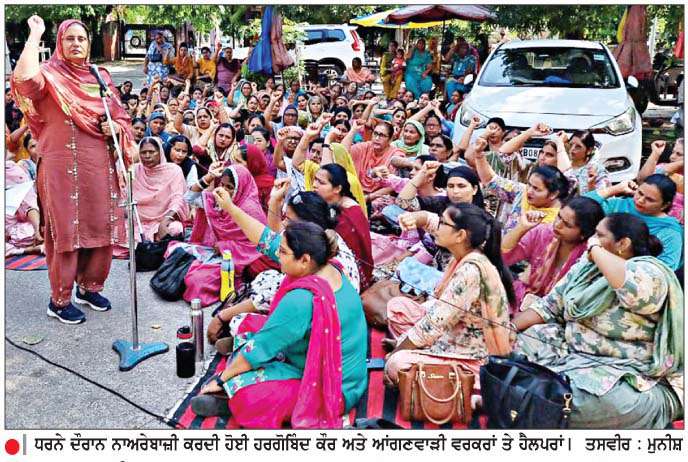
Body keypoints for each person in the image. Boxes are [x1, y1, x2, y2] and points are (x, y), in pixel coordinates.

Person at [11, 16, 135, 324]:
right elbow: (23, 80)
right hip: (60, 167)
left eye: (81, 39)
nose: (76, 43)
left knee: (100, 225)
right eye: (70, 38)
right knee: (66, 230)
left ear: (88, 44)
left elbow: (121, 117)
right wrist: (35, 34)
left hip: (98, 166)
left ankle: (89, 287)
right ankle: (60, 299)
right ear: (59, 42)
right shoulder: (48, 75)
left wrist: (113, 128)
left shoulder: (99, 76)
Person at [192, 220, 368, 429]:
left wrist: (221, 379)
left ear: (305, 260)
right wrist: (229, 206)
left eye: (283, 252)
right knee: (252, 325)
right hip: (343, 373)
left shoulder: (303, 299)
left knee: (248, 391)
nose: (277, 255)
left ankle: (230, 398)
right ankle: (239, 370)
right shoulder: (330, 267)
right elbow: (267, 240)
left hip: (332, 390)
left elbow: (259, 348)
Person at [514, 213, 683, 429]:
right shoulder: (587, 267)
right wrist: (510, 328)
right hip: (572, 354)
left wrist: (595, 249)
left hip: (624, 372)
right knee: (517, 348)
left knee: (588, 402)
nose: (591, 240)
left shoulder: (650, 272)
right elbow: (549, 306)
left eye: (599, 235)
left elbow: (631, 291)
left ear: (622, 244)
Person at [383, 204, 514, 385]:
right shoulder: (466, 255)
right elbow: (439, 311)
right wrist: (405, 342)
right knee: (398, 307)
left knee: (397, 364)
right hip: (451, 334)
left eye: (443, 223)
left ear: (460, 236)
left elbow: (433, 324)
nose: (437, 227)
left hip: (471, 357)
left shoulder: (471, 271)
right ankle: (416, 351)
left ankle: (470, 386)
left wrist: (397, 352)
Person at [182, 164, 268, 306]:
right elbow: (189, 197)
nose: (224, 190)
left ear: (241, 188)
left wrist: (224, 246)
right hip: (213, 251)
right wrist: (209, 177)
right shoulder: (218, 199)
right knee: (176, 253)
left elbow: (257, 245)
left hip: (235, 260)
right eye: (222, 184)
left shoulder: (250, 209)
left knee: (196, 281)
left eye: (229, 187)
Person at [502, 196, 605, 310]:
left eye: (567, 225)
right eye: (559, 216)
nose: (557, 225)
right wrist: (521, 228)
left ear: (584, 234)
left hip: (558, 311)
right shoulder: (544, 233)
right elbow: (503, 257)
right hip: (523, 298)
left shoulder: (589, 255)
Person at [585, 175, 683, 270]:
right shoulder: (619, 205)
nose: (640, 200)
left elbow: (665, 269)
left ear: (665, 205)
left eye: (650, 199)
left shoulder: (670, 232)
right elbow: (582, 208)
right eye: (640, 193)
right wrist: (615, 189)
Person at [473, 138, 569, 234]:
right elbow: (490, 180)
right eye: (529, 185)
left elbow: (567, 172)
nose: (529, 191)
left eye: (536, 189)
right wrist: (479, 155)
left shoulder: (561, 220)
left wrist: (560, 145)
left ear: (553, 194)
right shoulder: (522, 191)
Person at [131, 137, 189, 242]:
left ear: (160, 152)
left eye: (151, 152)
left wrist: (166, 220)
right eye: (143, 152)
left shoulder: (174, 171)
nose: (147, 156)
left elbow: (178, 199)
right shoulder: (134, 170)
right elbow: (125, 198)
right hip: (137, 223)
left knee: (175, 229)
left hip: (163, 221)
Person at [638, 139, 684, 224]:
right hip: (648, 219)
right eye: (673, 152)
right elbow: (643, 181)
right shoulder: (664, 167)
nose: (672, 157)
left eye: (679, 154)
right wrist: (655, 153)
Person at [5, 159, 43, 256]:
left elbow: (28, 205)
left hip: (24, 227)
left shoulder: (11, 171)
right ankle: (31, 249)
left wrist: (37, 231)